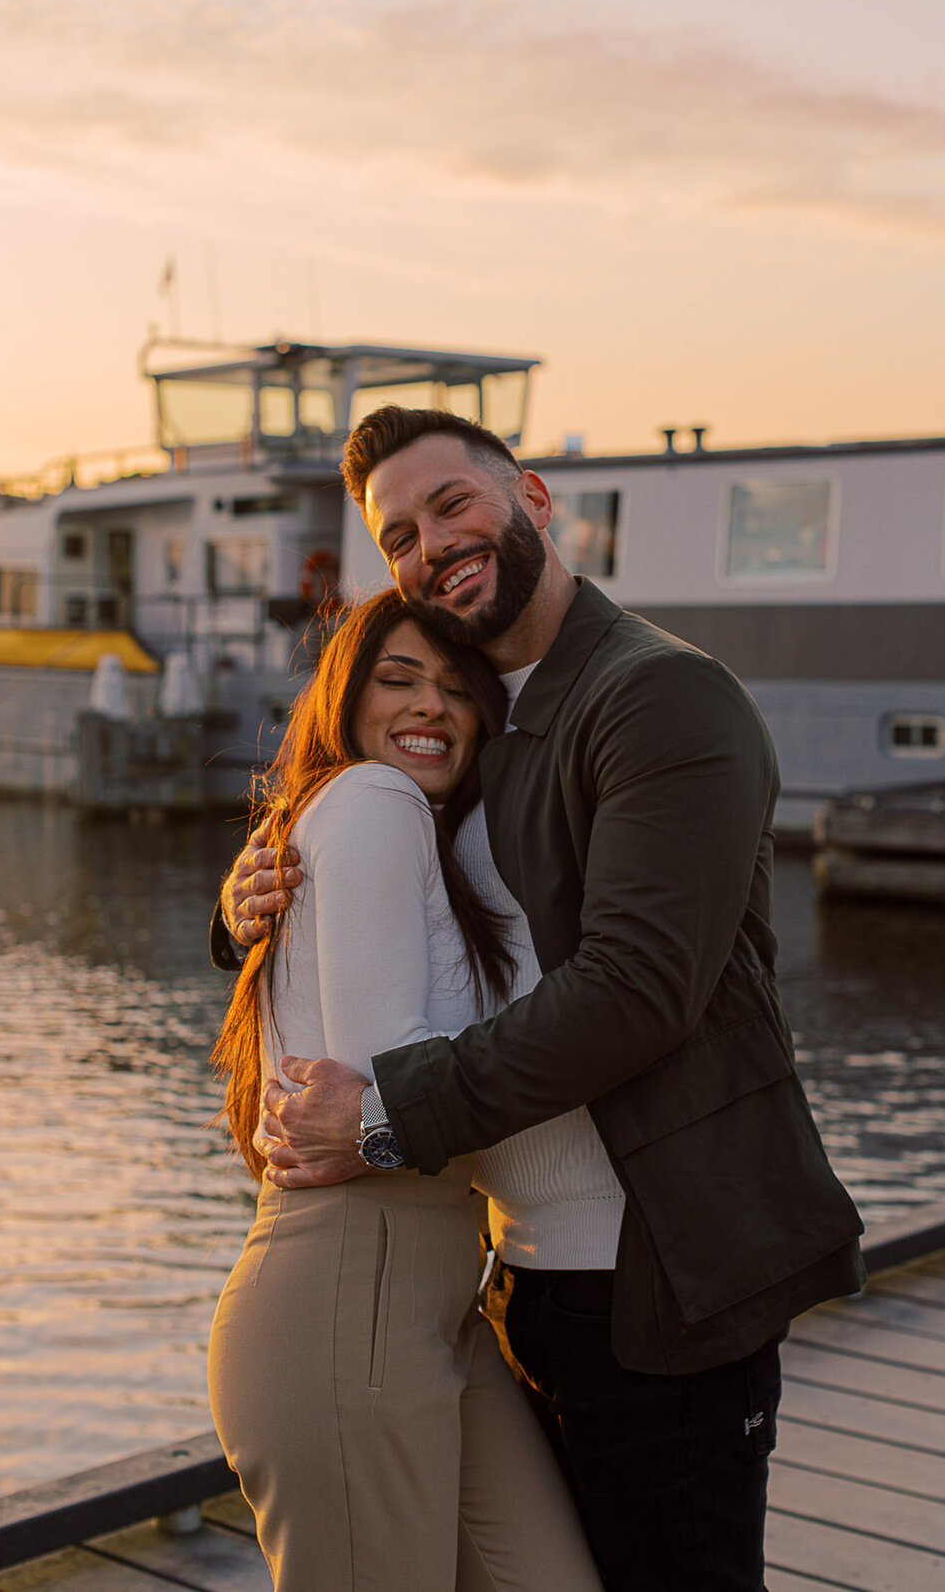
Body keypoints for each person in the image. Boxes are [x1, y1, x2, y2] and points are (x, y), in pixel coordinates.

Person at [217, 406, 866, 1592]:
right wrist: (247, 902)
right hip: (518, 1281)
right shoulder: (473, 735)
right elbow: (412, 917)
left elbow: (636, 990)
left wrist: (382, 1117)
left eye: (452, 504)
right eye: (397, 534)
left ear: (531, 497)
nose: (431, 545)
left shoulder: (661, 700)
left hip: (653, 1276)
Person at [207, 587, 602, 1592]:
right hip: (346, 1291)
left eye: (456, 689)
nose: (430, 706)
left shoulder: (432, 837)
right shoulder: (377, 801)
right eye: (399, 680)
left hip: (436, 1306)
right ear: (347, 698)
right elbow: (387, 1076)